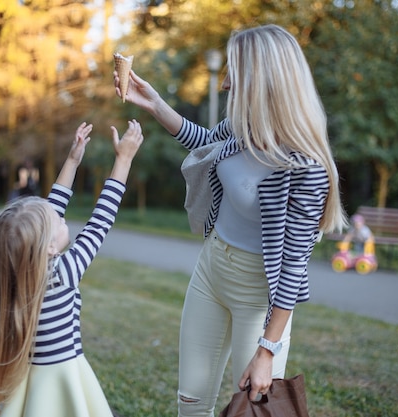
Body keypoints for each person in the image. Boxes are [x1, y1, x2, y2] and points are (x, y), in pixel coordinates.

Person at [114, 24, 347, 416]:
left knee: (252, 410)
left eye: (235, 71)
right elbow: (206, 143)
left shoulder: (306, 168)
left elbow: (293, 269)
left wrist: (267, 351)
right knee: (190, 402)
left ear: (263, 78)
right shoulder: (245, 127)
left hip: (259, 296)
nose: (225, 83)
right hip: (211, 270)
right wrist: (154, 103)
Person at [0, 120, 144, 417]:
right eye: (58, 222)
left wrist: (72, 160)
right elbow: (100, 221)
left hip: (32, 381)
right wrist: (123, 159)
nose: (63, 219)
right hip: (63, 376)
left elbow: (49, 211)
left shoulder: (19, 276)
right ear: (47, 247)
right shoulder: (63, 273)